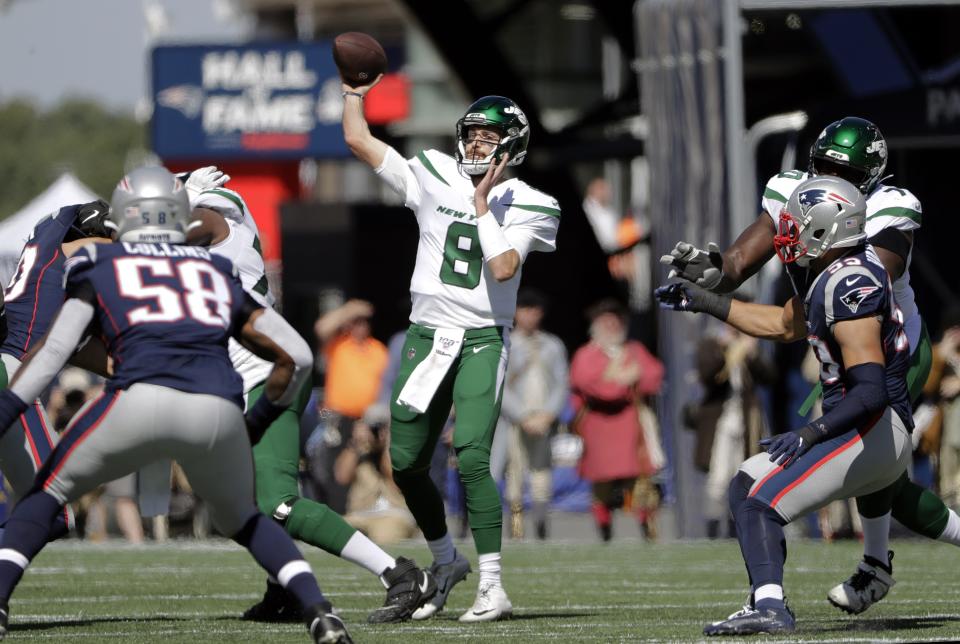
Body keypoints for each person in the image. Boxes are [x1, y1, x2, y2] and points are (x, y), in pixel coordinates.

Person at [0, 166, 350, 643]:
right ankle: (318, 610)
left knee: (45, 497)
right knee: (245, 518)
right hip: (213, 407)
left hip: (137, 400)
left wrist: (8, 407)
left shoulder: (101, 264)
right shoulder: (213, 267)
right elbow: (299, 354)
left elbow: (54, 353)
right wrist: (259, 418)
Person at [660, 116, 955, 614]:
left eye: (842, 175)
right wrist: (709, 280)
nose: (826, 183)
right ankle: (873, 564)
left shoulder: (860, 257)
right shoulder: (803, 213)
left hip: (888, 343)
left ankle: (867, 563)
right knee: (878, 477)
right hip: (831, 334)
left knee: (868, 464)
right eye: (821, 169)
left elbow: (854, 288)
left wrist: (810, 432)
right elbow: (759, 293)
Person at [342, 74, 560, 622]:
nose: (474, 146)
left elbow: (506, 266)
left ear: (511, 146)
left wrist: (482, 202)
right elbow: (360, 141)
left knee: (471, 455)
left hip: (483, 337)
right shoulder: (434, 172)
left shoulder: (532, 202)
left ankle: (492, 584)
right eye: (471, 136)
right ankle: (445, 560)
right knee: (406, 461)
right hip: (425, 335)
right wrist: (352, 92)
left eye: (487, 138)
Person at [184, 170, 434, 624]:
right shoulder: (206, 246)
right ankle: (281, 588)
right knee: (233, 508)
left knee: (277, 502)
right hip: (244, 385)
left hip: (269, 379)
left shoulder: (224, 224)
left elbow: (198, 225)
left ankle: (399, 573)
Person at [0, 198, 115, 539]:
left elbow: (92, 357)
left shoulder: (48, 262)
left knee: (48, 513)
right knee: (52, 515)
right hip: (15, 378)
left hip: (13, 373)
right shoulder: (81, 251)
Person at [570, 299, 664, 541]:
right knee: (601, 486)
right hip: (599, 429)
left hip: (632, 428)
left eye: (615, 321)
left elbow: (653, 376)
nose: (611, 326)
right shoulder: (586, 355)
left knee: (641, 483)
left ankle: (647, 530)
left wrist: (620, 379)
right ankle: (604, 531)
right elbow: (591, 386)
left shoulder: (634, 350)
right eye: (605, 322)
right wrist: (623, 380)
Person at [498, 288, 568, 540]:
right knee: (514, 472)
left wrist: (548, 414)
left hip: (543, 419)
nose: (530, 315)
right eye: (525, 309)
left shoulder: (552, 345)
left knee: (542, 473)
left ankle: (541, 526)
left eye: (534, 310)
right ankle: (516, 529)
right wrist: (522, 416)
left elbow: (561, 383)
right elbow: (501, 384)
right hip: (516, 420)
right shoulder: (506, 343)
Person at [336, 403, 417, 544]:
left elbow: (396, 483)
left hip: (395, 514)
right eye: (373, 427)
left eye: (382, 427)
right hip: (360, 514)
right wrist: (356, 443)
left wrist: (387, 445)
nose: (377, 432)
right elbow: (342, 477)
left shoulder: (402, 450)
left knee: (385, 537)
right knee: (335, 532)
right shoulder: (358, 450)